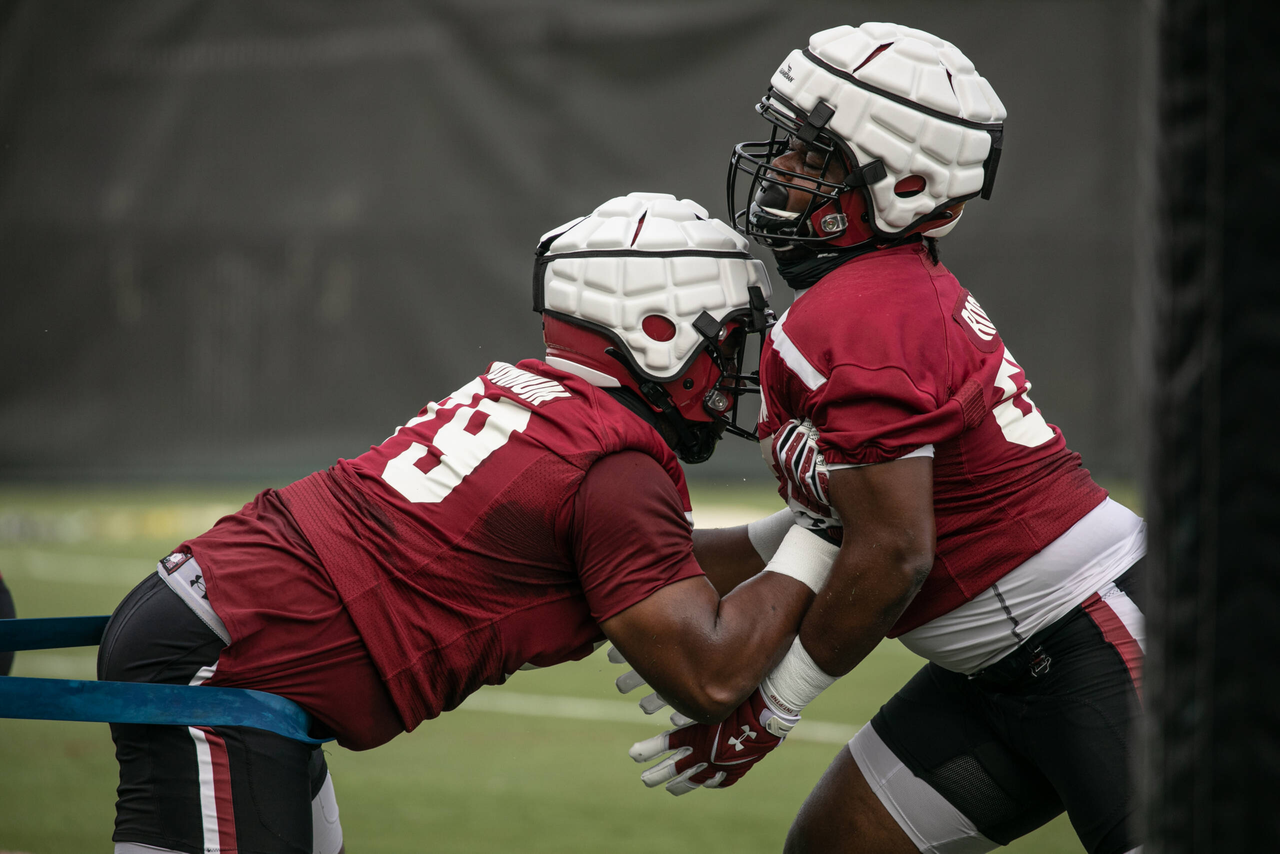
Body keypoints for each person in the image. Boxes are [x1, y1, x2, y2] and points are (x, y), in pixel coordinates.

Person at [95, 192, 841, 854]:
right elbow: (709, 677)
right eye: (728, 339)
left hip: (220, 626)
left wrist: (779, 536)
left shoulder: (543, 399)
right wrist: (825, 537)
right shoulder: (613, 469)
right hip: (224, 665)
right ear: (658, 329)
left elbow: (640, 561)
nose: (736, 368)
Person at [630, 23, 1146, 854]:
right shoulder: (873, 296)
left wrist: (773, 704)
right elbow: (835, 527)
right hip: (1006, 664)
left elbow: (895, 552)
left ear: (904, 184)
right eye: (790, 144)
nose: (785, 170)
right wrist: (637, 568)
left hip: (1091, 641)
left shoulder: (861, 312)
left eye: (815, 156)